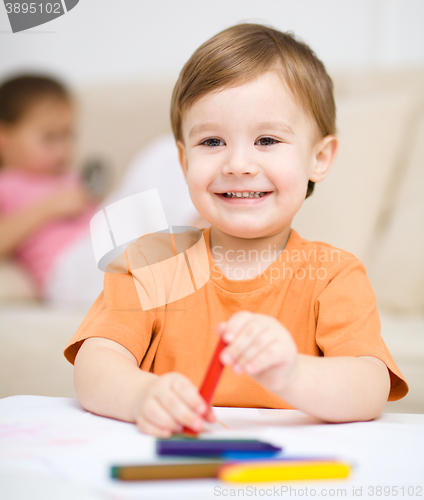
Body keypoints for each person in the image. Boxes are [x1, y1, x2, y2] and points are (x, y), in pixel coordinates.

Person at [64, 23, 408, 437]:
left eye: (266, 140)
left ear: (319, 157)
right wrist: (140, 395)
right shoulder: (153, 261)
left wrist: (293, 374)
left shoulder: (335, 275)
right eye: (212, 142)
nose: (238, 165)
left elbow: (370, 386)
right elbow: (96, 362)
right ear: (184, 159)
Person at [0, 75, 203, 306]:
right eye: (49, 138)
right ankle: (198, 244)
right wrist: (50, 206)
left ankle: (200, 234)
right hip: (67, 271)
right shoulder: (6, 183)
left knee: (166, 150)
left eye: (68, 135)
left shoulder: (67, 177)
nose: (62, 149)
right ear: (3, 138)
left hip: (98, 242)